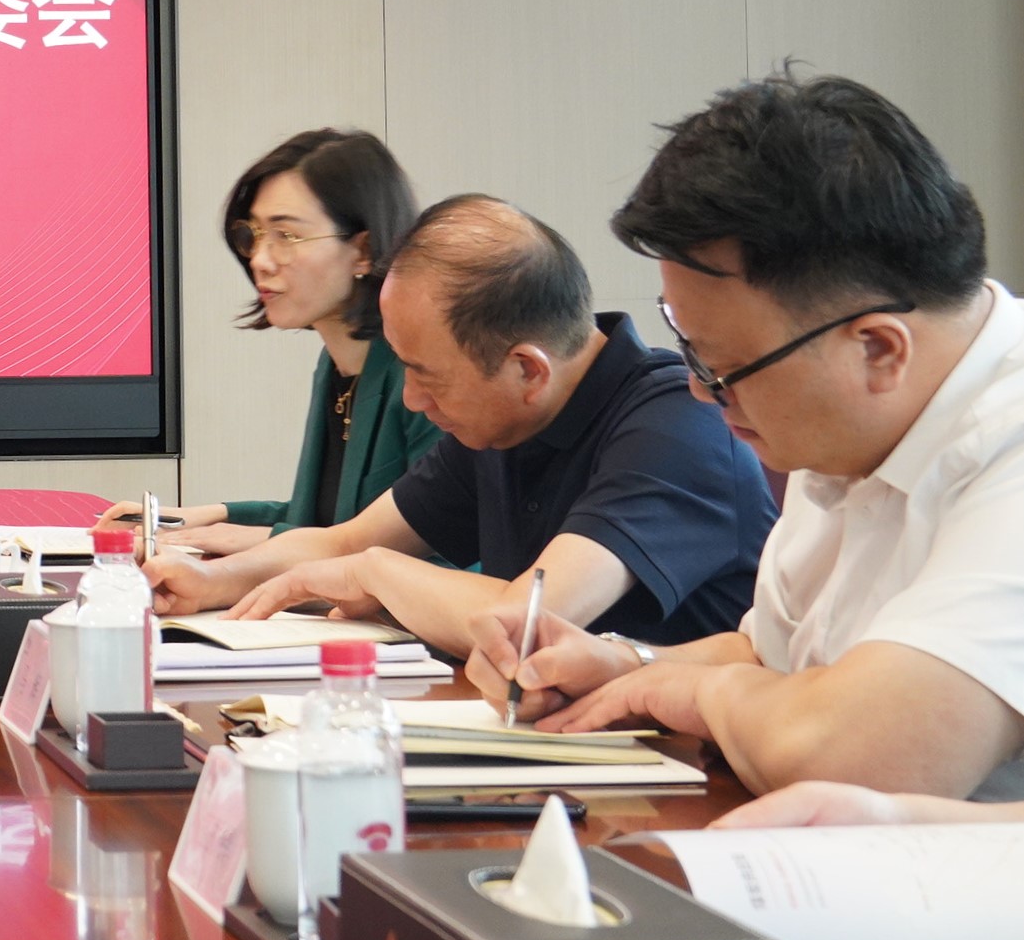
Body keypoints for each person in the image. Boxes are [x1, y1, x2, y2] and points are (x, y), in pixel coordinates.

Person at [483, 71, 1024, 800]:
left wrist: (694, 694)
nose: (700, 390)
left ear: (876, 349)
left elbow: (859, 758)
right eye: (692, 351)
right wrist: (628, 666)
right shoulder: (847, 419)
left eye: (725, 367)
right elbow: (777, 658)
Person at [149, 195, 772, 658]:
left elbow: (523, 620)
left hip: (690, 772)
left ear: (528, 369)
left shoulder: (678, 426)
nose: (412, 399)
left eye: (428, 375)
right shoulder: (501, 423)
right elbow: (343, 542)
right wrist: (210, 582)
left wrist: (374, 571)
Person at [110, 129, 439, 554]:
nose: (260, 260)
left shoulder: (425, 376)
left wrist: (258, 541)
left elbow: (445, 557)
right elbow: (324, 519)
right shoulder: (336, 364)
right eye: (256, 234)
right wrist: (207, 516)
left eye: (286, 235)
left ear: (364, 249)